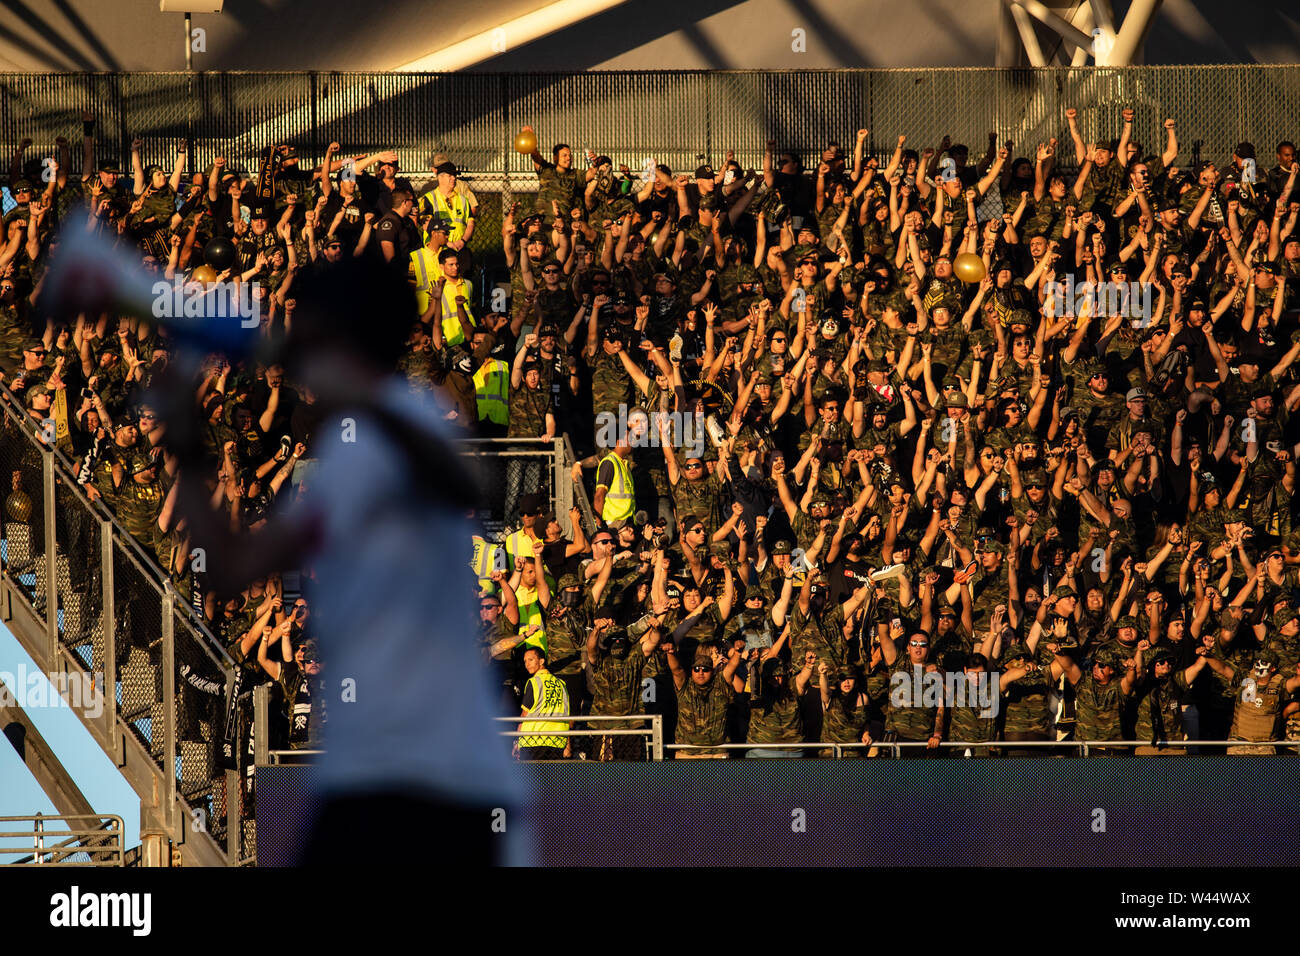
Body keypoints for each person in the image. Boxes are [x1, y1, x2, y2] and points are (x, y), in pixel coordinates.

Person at [516, 646, 570, 760]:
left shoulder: (534, 682)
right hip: (557, 741)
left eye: (531, 660)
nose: (527, 664)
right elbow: (566, 713)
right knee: (550, 777)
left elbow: (524, 715)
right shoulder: (561, 683)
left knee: (531, 777)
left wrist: (516, 740)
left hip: (533, 740)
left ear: (541, 661)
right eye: (525, 661)